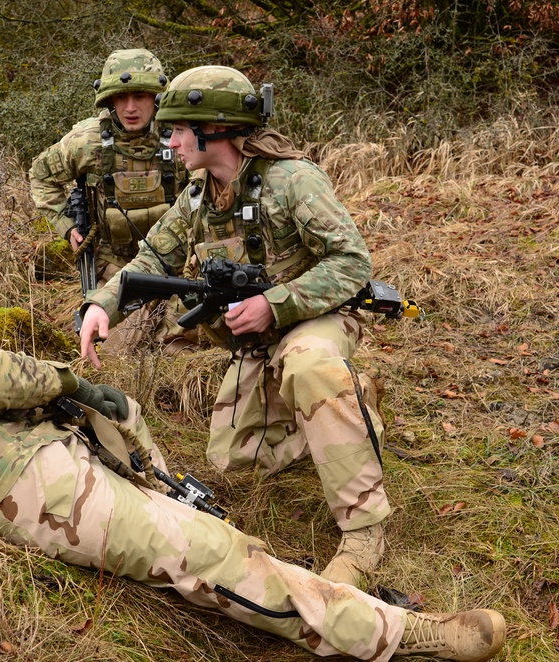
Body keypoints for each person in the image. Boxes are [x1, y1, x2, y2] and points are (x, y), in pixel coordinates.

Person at [0, 215, 506, 662]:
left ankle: (202, 515)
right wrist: (67, 380)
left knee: (156, 469)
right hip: (21, 481)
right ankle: (403, 638)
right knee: (210, 555)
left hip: (16, 464)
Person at [78, 65, 393, 588]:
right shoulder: (199, 195)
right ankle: (349, 406)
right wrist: (102, 306)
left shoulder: (293, 180)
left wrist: (276, 303)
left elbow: (352, 262)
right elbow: (153, 257)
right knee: (236, 462)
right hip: (254, 344)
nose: (171, 140)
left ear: (214, 128)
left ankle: (364, 531)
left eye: (179, 129)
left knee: (309, 364)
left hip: (317, 319)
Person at [29, 48, 193, 352]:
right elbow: (40, 176)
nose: (130, 108)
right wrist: (67, 227)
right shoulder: (86, 142)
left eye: (140, 97)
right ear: (109, 100)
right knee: (112, 353)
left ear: (156, 97)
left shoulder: (181, 136)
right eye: (121, 98)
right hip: (115, 268)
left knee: (179, 348)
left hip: (178, 265)